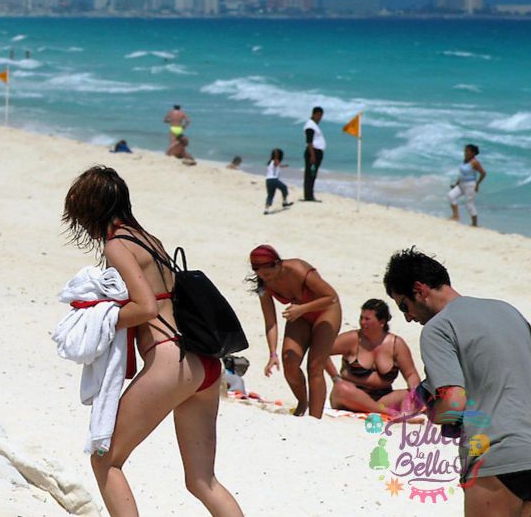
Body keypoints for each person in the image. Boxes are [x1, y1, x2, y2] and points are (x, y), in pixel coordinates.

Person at [62, 166, 243, 517]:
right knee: (202, 481)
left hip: (169, 360)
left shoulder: (117, 245)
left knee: (105, 460)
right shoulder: (150, 240)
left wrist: (101, 317)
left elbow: (145, 307)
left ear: (90, 209)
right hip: (204, 363)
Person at [383, 247, 531, 515]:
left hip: (496, 455)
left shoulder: (438, 327)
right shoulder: (508, 311)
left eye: (404, 305)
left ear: (420, 289)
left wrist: (434, 412)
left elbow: (453, 403)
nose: (407, 316)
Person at [249, 244, 342, 418]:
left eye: (268, 274)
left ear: (277, 263)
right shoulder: (263, 285)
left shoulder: (298, 269)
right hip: (299, 313)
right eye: (261, 275)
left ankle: (315, 418)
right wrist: (272, 354)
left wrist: (303, 308)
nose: (265, 278)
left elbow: (331, 297)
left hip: (326, 311)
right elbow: (270, 321)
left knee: (315, 366)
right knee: (289, 362)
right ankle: (302, 402)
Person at [324, 300, 421, 415]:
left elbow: (411, 374)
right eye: (361, 318)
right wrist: (335, 377)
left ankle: (397, 413)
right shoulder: (352, 339)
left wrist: (414, 392)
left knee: (411, 394)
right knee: (342, 389)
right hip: (350, 397)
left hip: (382, 399)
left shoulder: (396, 345)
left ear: (382, 322)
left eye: (367, 319)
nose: (362, 322)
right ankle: (389, 413)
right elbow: (321, 351)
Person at [449, 143, 487, 227]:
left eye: (467, 151)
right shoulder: (465, 160)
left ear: (473, 153)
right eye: (465, 151)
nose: (465, 152)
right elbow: (461, 174)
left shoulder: (475, 162)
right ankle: (456, 216)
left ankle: (474, 223)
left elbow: (483, 173)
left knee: (469, 204)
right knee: (451, 195)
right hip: (461, 184)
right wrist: (456, 184)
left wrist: (477, 184)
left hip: (470, 185)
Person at [302, 106, 325, 202]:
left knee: (312, 174)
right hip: (313, 152)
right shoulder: (310, 126)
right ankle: (308, 196)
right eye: (318, 115)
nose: (319, 117)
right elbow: (309, 142)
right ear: (313, 114)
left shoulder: (314, 125)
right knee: (310, 174)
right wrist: (312, 155)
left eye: (321, 115)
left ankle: (309, 195)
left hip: (316, 152)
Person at [263, 148, 293, 214]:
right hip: (273, 179)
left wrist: (284, 166)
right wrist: (276, 154)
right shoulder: (274, 161)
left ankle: (266, 209)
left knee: (270, 195)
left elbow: (278, 166)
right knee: (284, 187)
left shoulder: (271, 162)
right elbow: (277, 163)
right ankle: (284, 202)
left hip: (268, 180)